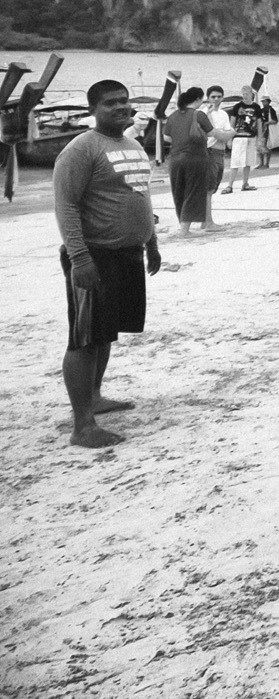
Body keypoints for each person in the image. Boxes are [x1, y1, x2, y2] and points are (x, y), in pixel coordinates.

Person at [53, 80, 163, 448]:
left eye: (123, 101)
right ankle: (82, 426)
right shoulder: (81, 149)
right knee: (84, 338)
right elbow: (66, 206)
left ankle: (95, 396)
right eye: (110, 103)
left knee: (105, 332)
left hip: (127, 254)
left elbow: (141, 195)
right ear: (93, 110)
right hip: (94, 255)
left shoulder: (133, 145)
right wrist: (79, 258)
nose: (120, 107)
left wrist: (151, 242)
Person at [163, 87, 217, 235]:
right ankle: (184, 230)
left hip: (175, 158)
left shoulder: (173, 115)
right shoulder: (198, 114)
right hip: (195, 157)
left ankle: (183, 226)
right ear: (198, 99)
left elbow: (166, 137)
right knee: (193, 191)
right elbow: (212, 133)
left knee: (179, 191)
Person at [221, 85, 260, 194]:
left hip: (251, 136)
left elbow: (259, 123)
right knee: (235, 162)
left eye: (247, 94)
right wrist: (229, 138)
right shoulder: (237, 106)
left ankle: (245, 183)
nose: (245, 96)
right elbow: (232, 123)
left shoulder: (256, 107)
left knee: (248, 161)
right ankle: (230, 185)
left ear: (251, 94)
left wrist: (260, 138)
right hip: (239, 137)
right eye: (243, 94)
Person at [203, 85, 232, 194]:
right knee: (209, 185)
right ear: (208, 98)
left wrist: (225, 136)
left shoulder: (223, 114)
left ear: (222, 98)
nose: (216, 99)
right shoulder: (203, 113)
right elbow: (211, 132)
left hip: (220, 151)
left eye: (219, 97)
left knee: (216, 182)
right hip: (209, 150)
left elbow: (227, 132)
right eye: (213, 97)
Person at [255, 92, 279, 169]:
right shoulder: (262, 110)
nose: (263, 103)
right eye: (262, 101)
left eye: (264, 101)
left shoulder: (271, 110)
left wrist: (266, 123)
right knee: (259, 147)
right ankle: (261, 163)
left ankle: (266, 164)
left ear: (268, 102)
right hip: (261, 130)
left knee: (264, 146)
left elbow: (275, 121)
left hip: (267, 131)